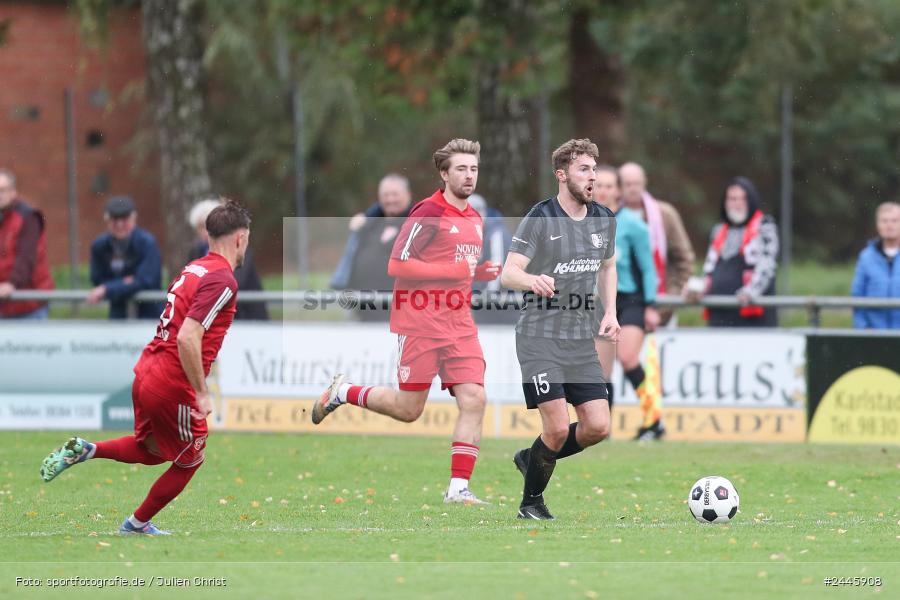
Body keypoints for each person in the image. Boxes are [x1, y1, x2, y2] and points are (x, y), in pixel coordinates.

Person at [40, 200, 252, 535]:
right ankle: (136, 524)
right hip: (173, 380)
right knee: (191, 456)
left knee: (152, 451)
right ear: (240, 239)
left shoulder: (194, 268)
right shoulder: (223, 279)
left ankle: (86, 449)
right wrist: (201, 392)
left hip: (148, 370)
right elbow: (187, 337)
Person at [312, 139, 501, 505]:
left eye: (473, 169)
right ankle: (344, 392)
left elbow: (459, 269)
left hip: (460, 325)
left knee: (475, 398)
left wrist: (478, 274)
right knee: (408, 410)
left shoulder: (476, 219)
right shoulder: (428, 212)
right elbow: (397, 265)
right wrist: (453, 270)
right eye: (461, 169)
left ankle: (458, 489)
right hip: (421, 323)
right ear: (444, 174)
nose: (468, 175)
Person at [501, 139, 619, 520]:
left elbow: (608, 267)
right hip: (539, 338)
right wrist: (532, 280)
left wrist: (611, 312)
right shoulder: (540, 217)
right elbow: (508, 273)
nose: (593, 177)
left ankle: (531, 457)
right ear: (562, 174)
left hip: (579, 339)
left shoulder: (603, 218)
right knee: (554, 429)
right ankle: (531, 502)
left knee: (598, 426)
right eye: (584, 169)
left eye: (594, 170)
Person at [618, 162, 694, 438]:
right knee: (626, 361)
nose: (632, 189)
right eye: (626, 184)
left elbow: (683, 259)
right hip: (625, 303)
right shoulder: (610, 217)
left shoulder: (663, 215)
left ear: (645, 182)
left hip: (655, 304)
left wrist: (666, 301)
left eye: (637, 183)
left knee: (638, 361)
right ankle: (644, 421)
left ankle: (654, 420)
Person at [591, 166, 661, 439]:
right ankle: (602, 429)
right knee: (601, 370)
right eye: (599, 185)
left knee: (628, 357)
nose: (603, 191)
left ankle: (654, 420)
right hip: (600, 302)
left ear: (618, 191)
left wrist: (652, 306)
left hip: (630, 300)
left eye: (609, 186)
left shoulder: (633, 224)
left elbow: (648, 268)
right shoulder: (585, 221)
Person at [698, 177, 779, 327]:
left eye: (742, 199)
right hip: (720, 314)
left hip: (751, 315)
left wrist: (750, 292)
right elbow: (709, 269)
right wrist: (697, 289)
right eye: (732, 199)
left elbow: (767, 265)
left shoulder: (764, 226)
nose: (737, 203)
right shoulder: (718, 230)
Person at [341, 174, 413, 321]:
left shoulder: (419, 223)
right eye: (386, 195)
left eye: (395, 194)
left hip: (403, 311)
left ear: (408, 195)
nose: (390, 199)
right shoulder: (368, 223)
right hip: (363, 308)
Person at [188, 198, 268, 321]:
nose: (204, 232)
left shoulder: (239, 249)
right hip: (211, 319)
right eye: (200, 227)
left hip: (244, 317)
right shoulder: (196, 251)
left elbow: (235, 282)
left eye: (206, 226)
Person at [88, 196, 163, 319]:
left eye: (124, 219)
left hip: (148, 315)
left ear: (134, 219)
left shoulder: (147, 243)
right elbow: (97, 279)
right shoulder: (99, 246)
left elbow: (146, 280)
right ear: (107, 220)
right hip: (118, 314)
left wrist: (109, 288)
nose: (119, 224)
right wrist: (126, 283)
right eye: (114, 219)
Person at [0, 168, 54, 319]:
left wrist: (11, 284)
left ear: (13, 192)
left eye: (3, 190)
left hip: (30, 304)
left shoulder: (28, 217)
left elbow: (27, 257)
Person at [468, 193, 516, 324]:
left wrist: (478, 300)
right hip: (485, 308)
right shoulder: (475, 233)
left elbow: (496, 274)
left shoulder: (496, 234)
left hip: (502, 309)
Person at [852, 201, 900, 329]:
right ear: (877, 224)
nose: (889, 225)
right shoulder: (866, 257)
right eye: (884, 221)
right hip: (874, 333)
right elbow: (857, 296)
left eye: (894, 221)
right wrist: (863, 328)